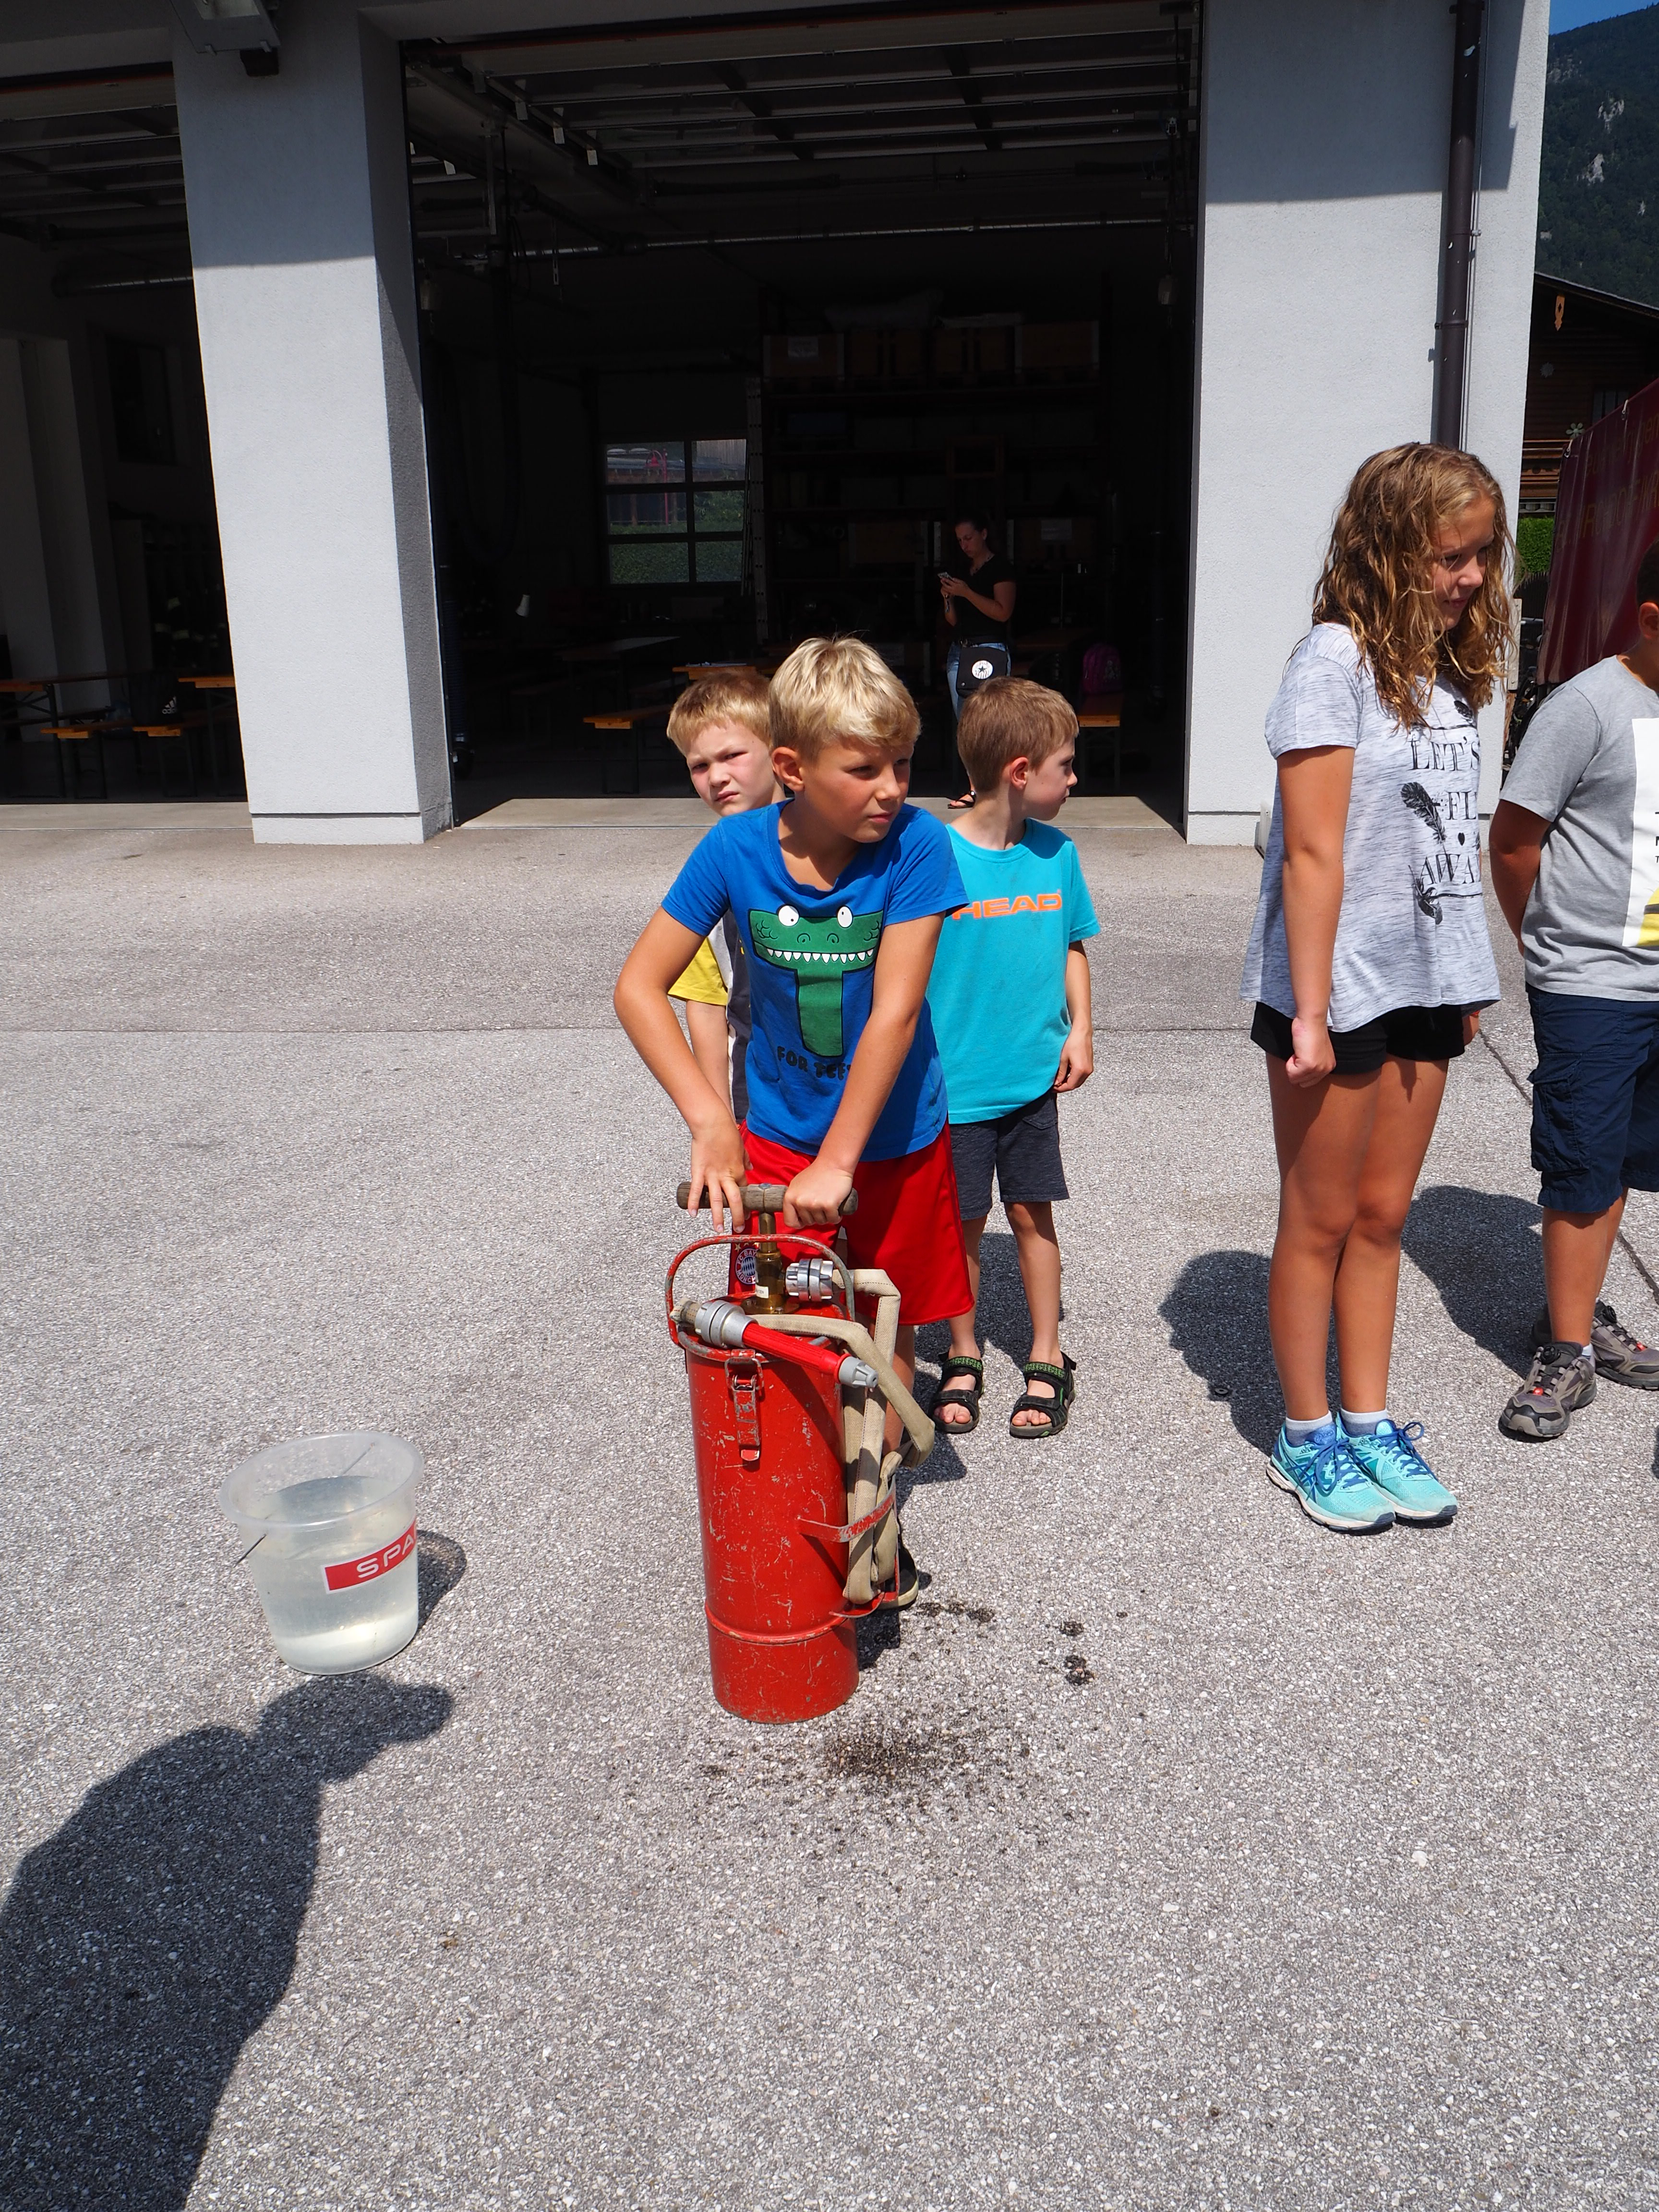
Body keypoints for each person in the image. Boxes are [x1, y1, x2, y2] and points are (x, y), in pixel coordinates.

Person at [613, 637, 973, 1604]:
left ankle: (872, 1515)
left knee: (883, 1320)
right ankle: (802, 1498)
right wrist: (710, 1119)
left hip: (893, 1139)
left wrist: (842, 1159)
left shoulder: (918, 846)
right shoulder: (733, 850)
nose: (892, 788)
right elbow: (639, 987)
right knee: (789, 1319)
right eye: (864, 769)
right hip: (776, 1138)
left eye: (903, 763)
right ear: (793, 767)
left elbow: (896, 1013)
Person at [1239, 443, 1509, 1533]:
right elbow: (1312, 852)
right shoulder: (1330, 661)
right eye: (1450, 555)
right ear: (1389, 549)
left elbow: (1443, 839)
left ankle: (1368, 1419)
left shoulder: (1448, 673)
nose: (1471, 577)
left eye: (1481, 554)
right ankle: (1303, 1435)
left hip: (1423, 980)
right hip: (1335, 988)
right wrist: (1306, 1012)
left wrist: (1463, 972)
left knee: (1383, 1216)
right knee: (1319, 1218)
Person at [1487, 536, 1659, 1441]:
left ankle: (1581, 1314)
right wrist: (1545, 945)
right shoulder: (1588, 705)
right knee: (1582, 1164)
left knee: (1624, 1158)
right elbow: (1514, 839)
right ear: (1650, 620)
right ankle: (1565, 1353)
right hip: (1592, 984)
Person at [923, 679, 1098, 1438]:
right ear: (1021, 772)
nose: (1075, 779)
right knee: (962, 1223)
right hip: (953, 1087)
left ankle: (1047, 1353)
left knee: (1032, 1214)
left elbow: (1073, 945)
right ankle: (963, 1351)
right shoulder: (933, 856)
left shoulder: (1057, 854)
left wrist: (1081, 1029)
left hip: (1031, 1080)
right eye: (1067, 765)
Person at [663, 669, 784, 1122]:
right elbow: (706, 1001)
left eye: (732, 756)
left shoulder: (835, 847)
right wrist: (717, 1121)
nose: (716, 777)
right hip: (754, 1099)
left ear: (780, 751)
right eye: (699, 766)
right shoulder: (711, 873)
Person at [941, 511, 1017, 808]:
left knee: (992, 720)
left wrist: (967, 592)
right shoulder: (962, 570)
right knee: (966, 722)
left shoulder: (1000, 568)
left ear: (984, 534)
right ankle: (975, 789)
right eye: (960, 540)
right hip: (961, 650)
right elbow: (952, 620)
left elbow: (1003, 612)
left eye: (969, 538)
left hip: (990, 649)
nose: (964, 545)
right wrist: (949, 597)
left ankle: (997, 787)